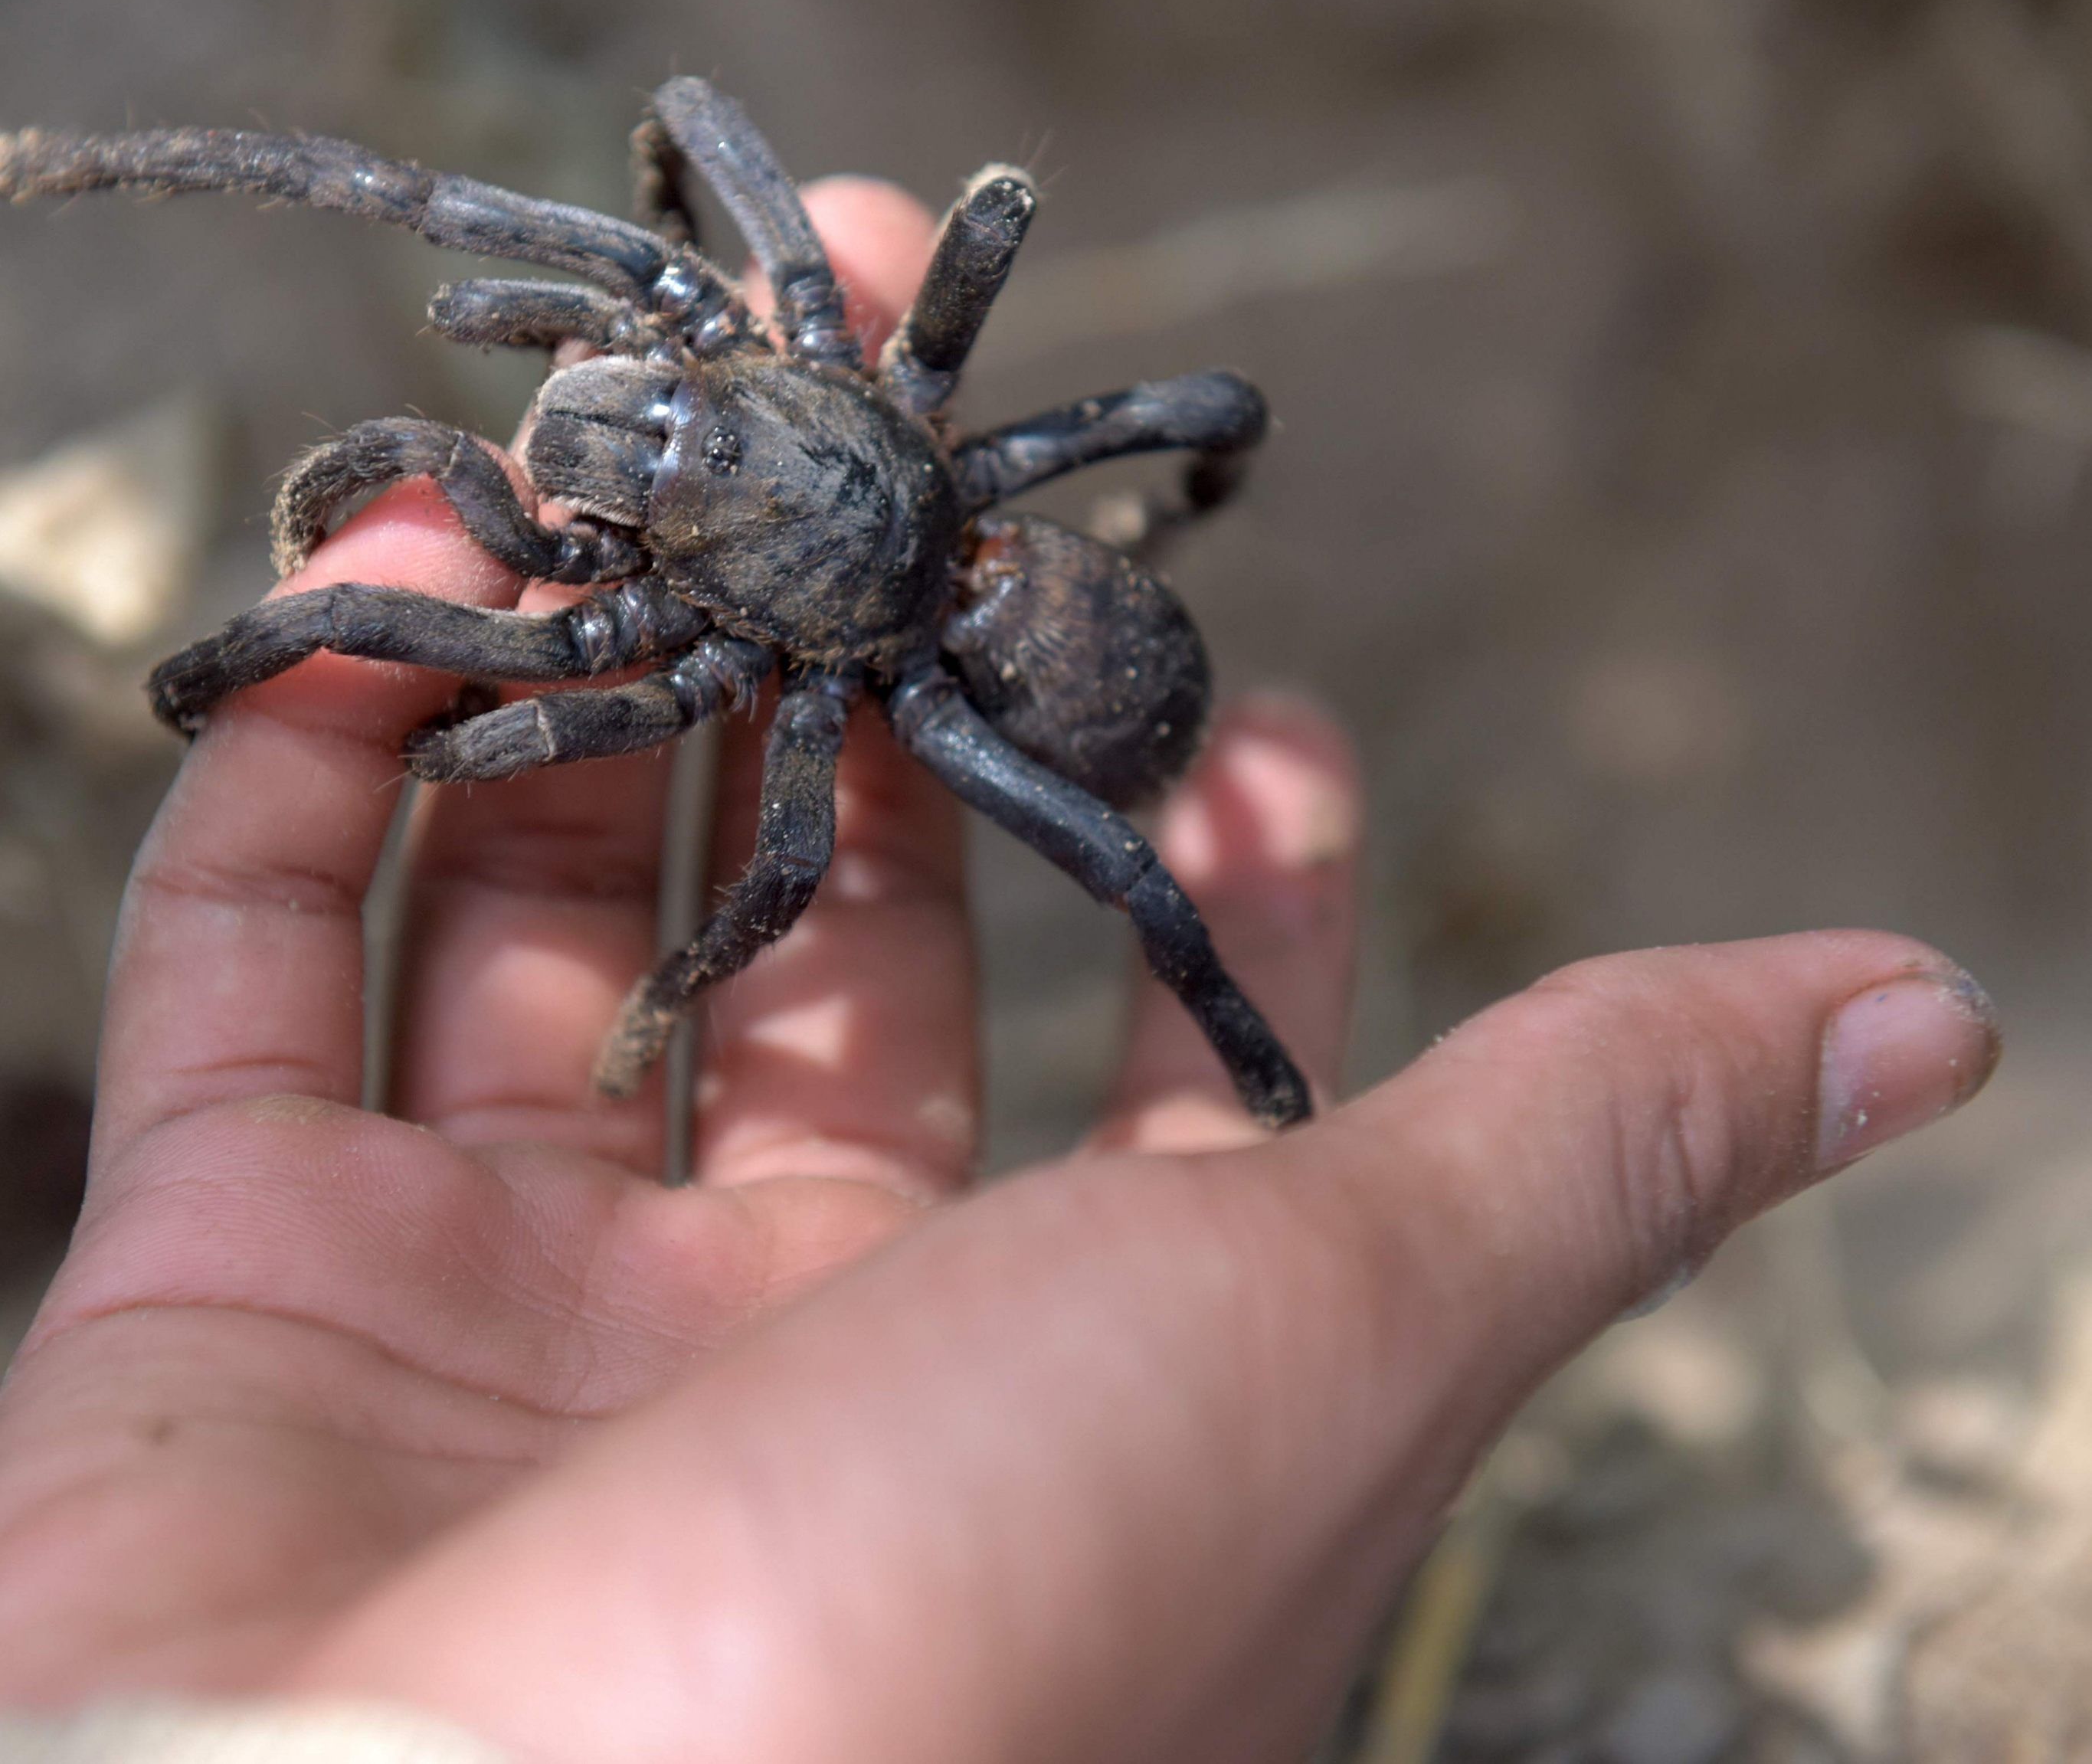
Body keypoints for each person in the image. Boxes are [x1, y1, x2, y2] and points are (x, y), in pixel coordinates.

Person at [0, 179, 1999, 1763]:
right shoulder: (733, 371)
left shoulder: (720, 643)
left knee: (1097, 842)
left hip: (1006, 657)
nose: (609, 405)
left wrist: (664, 979)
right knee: (1014, 439)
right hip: (975, 571)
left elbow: (775, 852)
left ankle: (1270, 1101)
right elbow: (807, 213)